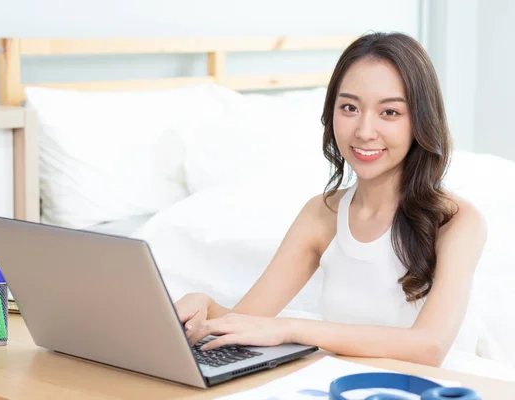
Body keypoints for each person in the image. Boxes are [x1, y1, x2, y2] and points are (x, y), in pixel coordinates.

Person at [173, 31, 487, 368]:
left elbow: (429, 347)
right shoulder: (321, 215)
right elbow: (250, 321)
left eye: (390, 113)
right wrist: (205, 307)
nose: (364, 131)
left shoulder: (457, 221)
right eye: (349, 107)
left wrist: (292, 329)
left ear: (421, 120)